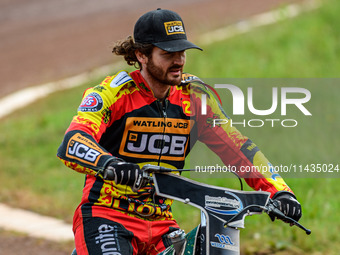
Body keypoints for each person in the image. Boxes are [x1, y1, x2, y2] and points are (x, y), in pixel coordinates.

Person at [57, 8, 302, 255]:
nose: (179, 61)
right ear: (141, 55)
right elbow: (72, 143)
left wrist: (280, 191)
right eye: (168, 54)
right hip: (106, 216)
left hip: (161, 223)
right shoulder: (113, 94)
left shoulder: (195, 98)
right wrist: (112, 165)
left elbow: (238, 147)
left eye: (182, 52)